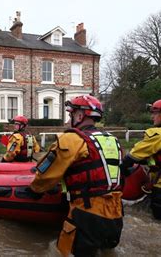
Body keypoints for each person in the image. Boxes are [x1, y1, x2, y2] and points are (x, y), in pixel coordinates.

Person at [30, 95, 123, 257]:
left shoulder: (71, 139)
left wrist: (34, 190)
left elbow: (46, 175)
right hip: (116, 215)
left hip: (87, 214)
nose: (68, 121)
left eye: (70, 115)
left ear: (79, 116)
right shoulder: (112, 140)